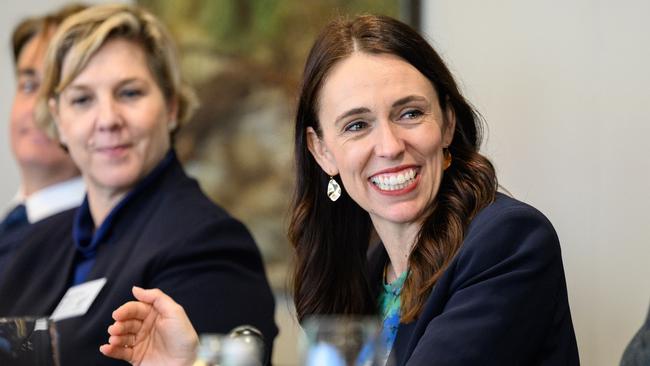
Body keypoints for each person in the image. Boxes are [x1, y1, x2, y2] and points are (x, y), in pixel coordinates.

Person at [100, 14, 579, 366]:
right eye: (356, 125)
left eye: (410, 112)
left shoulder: (508, 240)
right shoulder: (365, 273)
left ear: (448, 122)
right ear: (322, 150)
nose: (390, 145)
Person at [0, 4, 277, 365]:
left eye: (129, 93)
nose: (107, 119)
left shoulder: (208, 244)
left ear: (172, 106)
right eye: (82, 99)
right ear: (58, 120)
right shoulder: (35, 243)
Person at [0, 4, 85, 277]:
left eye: (58, 89)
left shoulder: (92, 239)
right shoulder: (13, 223)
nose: (36, 109)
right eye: (29, 86)